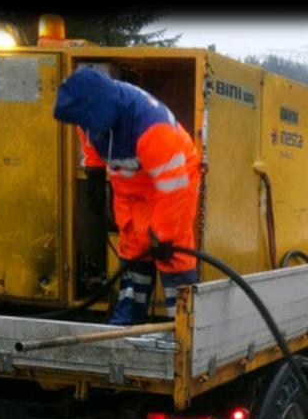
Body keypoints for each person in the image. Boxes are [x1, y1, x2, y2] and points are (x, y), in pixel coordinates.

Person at [53, 67, 201, 325]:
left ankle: (182, 330)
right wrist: (94, 176)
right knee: (134, 249)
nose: (83, 126)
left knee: (173, 255)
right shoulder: (89, 115)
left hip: (173, 183)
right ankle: (128, 324)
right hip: (131, 189)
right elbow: (90, 142)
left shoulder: (153, 127)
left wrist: (164, 234)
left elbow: (173, 185)